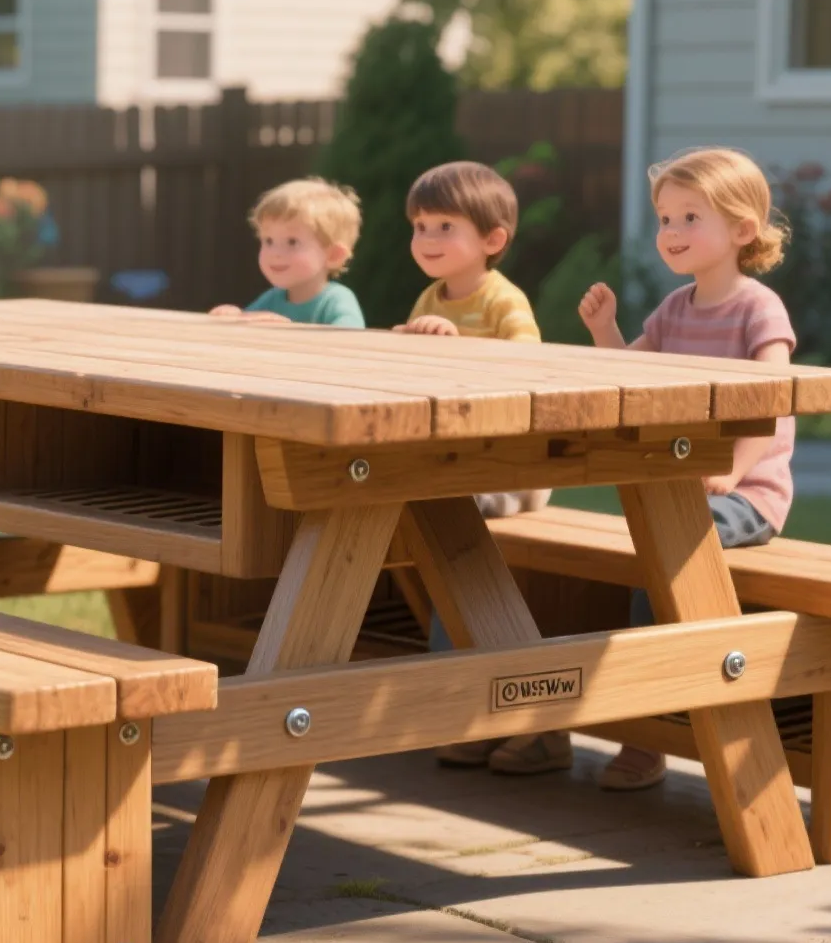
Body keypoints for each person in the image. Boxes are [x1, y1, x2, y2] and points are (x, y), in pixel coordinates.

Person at [577, 145, 798, 792]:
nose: (670, 233)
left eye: (688, 218)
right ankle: (647, 721)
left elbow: (774, 404)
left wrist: (731, 471)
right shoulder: (674, 312)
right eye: (665, 219)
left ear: (741, 230)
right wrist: (605, 329)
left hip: (749, 496)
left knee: (662, 552)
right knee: (645, 551)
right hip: (686, 493)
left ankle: (651, 730)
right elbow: (631, 374)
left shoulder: (758, 311)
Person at [394, 160, 568, 777]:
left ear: (492, 241)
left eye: (445, 226)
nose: (428, 240)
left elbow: (528, 362)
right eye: (420, 226)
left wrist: (457, 345)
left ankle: (478, 705)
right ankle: (465, 708)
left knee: (444, 528)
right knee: (423, 527)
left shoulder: (502, 299)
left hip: (510, 467)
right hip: (461, 464)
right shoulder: (428, 297)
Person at [211, 177, 365, 327]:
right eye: (268, 241)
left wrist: (290, 331)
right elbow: (245, 325)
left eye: (292, 242)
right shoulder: (273, 298)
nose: (275, 253)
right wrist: (235, 316)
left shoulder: (336, 300)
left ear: (333, 255)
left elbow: (350, 337)